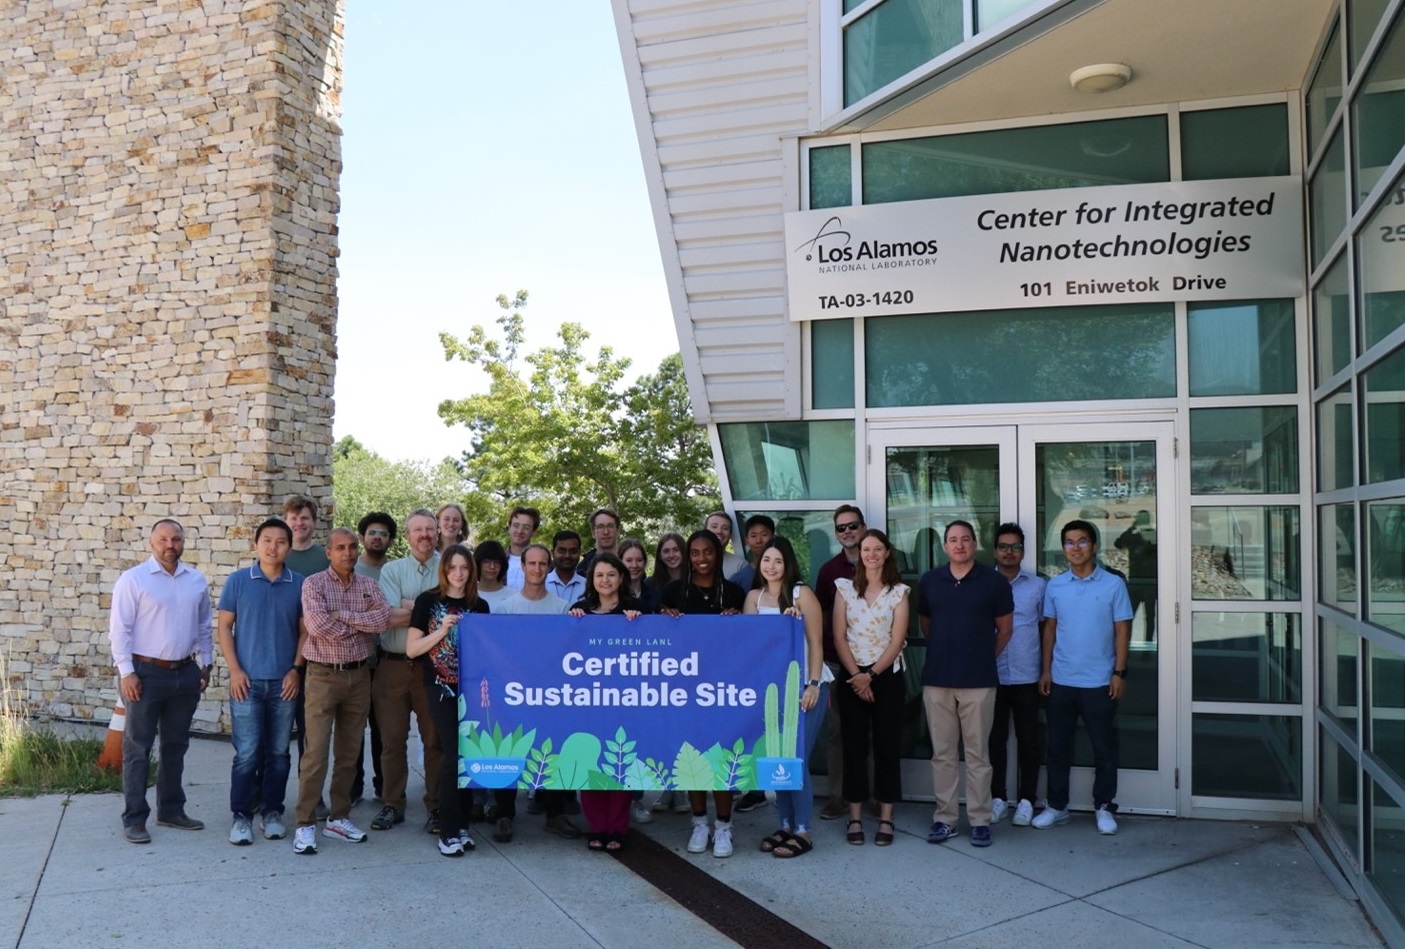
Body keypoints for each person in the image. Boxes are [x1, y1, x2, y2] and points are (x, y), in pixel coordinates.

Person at [108, 519, 214, 844]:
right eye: (164, 539)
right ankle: (135, 819)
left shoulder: (195, 580)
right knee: (138, 748)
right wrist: (126, 672)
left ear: (183, 542)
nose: (170, 545)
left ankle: (171, 810)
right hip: (145, 674)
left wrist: (206, 664)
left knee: (175, 746)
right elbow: (119, 629)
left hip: (185, 674)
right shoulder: (134, 579)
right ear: (152, 543)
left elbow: (204, 627)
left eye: (176, 539)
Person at [915, 520, 1013, 848]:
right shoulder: (930, 582)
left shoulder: (994, 582)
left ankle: (981, 820)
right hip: (937, 681)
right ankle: (945, 819)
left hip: (978, 682)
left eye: (966, 540)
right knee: (942, 754)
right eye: (953, 540)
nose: (959, 545)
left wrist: (982, 656)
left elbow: (1005, 630)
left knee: (978, 755)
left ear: (974, 545)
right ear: (945, 547)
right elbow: (927, 624)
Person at [295, 528, 391, 854]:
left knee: (349, 754)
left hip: (359, 677)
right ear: (329, 552)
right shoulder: (314, 584)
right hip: (323, 677)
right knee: (316, 753)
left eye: (352, 547)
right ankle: (305, 824)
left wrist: (344, 617)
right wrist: (358, 623)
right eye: (340, 548)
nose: (348, 553)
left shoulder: (369, 585)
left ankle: (339, 817)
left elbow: (381, 619)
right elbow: (319, 626)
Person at [1035, 519, 1133, 835]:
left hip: (1099, 682)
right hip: (1062, 680)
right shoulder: (1056, 585)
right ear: (1063, 548)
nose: (1075, 548)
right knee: (1058, 748)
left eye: (1082, 541)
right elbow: (1049, 629)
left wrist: (1119, 672)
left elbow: (1122, 630)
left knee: (1104, 748)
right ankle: (1057, 806)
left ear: (1093, 546)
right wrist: (1046, 670)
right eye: (1069, 542)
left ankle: (1104, 806)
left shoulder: (1113, 584)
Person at [216, 517, 305, 845]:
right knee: (247, 753)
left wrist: (296, 669)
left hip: (284, 683)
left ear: (289, 547)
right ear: (256, 544)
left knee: (279, 752)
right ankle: (241, 817)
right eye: (267, 540)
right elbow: (224, 627)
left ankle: (272, 812)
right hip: (247, 683)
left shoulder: (299, 583)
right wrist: (236, 670)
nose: (273, 547)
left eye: (280, 541)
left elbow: (305, 631)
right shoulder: (238, 581)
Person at [661, 529, 746, 857]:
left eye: (707, 552)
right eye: (694, 553)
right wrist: (664, 617)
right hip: (685, 689)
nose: (701, 559)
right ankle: (699, 823)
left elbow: (748, 639)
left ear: (719, 552)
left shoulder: (736, 593)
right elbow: (658, 637)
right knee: (692, 755)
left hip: (724, 688)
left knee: (722, 755)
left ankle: (724, 827)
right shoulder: (673, 592)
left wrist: (737, 620)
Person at [744, 537, 830, 858]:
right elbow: (750, 646)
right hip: (771, 693)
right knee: (777, 758)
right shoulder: (753, 598)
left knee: (796, 759)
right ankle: (784, 823)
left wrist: (813, 683)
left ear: (788, 563)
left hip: (804, 689)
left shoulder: (801, 594)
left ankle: (803, 830)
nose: (771, 566)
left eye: (778, 560)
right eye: (766, 559)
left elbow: (816, 643)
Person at [404, 544, 490, 856]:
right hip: (439, 687)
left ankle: (463, 825)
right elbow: (412, 650)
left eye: (464, 568)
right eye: (452, 567)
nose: (458, 573)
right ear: (444, 570)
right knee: (453, 754)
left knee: (468, 756)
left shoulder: (479, 606)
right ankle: (448, 830)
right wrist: (442, 630)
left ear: (471, 571)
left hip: (472, 691)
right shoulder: (428, 601)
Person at [496, 544, 581, 840]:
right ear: (522, 566)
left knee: (553, 749)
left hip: (550, 693)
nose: (536, 569)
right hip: (514, 692)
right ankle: (505, 813)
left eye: (542, 564)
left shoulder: (560, 608)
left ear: (549, 567)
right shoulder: (506, 607)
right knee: (508, 747)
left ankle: (555, 813)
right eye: (531, 563)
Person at [832, 528, 908, 848]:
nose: (871, 554)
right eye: (866, 549)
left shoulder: (899, 592)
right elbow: (838, 636)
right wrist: (856, 676)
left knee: (887, 747)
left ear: (887, 553)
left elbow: (898, 638)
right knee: (854, 747)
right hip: (852, 676)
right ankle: (854, 816)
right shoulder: (845, 589)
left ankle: (887, 816)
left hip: (886, 676)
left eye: (878, 549)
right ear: (859, 553)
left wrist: (871, 676)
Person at [568, 553, 646, 852]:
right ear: (592, 580)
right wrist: (571, 624)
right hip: (588, 700)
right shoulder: (580, 609)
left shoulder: (635, 609)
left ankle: (617, 828)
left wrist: (639, 624)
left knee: (619, 761)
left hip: (625, 700)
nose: (605, 580)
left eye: (611, 575)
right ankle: (597, 827)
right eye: (599, 575)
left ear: (621, 578)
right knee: (591, 761)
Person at [372, 509, 443, 833]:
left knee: (435, 740)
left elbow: (452, 614)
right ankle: (392, 804)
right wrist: (429, 609)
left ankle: (437, 807)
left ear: (437, 533)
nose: (425, 535)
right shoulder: (392, 569)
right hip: (393, 665)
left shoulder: (449, 567)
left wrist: (408, 604)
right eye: (418, 530)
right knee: (391, 740)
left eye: (430, 529)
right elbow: (387, 616)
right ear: (409, 534)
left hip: (434, 667)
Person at [989, 523, 1046, 828]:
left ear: (1023, 551)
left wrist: (1045, 671)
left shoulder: (1038, 587)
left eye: (1015, 547)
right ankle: (997, 797)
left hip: (1027, 675)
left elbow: (1045, 630)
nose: (1009, 552)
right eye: (1003, 546)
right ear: (994, 550)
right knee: (994, 740)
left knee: (1029, 740)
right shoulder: (983, 583)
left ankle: (1027, 800)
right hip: (992, 676)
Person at [812, 504, 866, 821]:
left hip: (873, 664)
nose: (847, 532)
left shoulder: (881, 562)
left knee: (870, 731)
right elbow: (819, 617)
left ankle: (871, 795)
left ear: (863, 526)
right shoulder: (829, 571)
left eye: (852, 526)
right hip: (835, 662)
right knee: (837, 733)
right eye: (841, 528)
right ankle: (838, 796)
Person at [352, 511, 396, 805]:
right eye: (372, 533)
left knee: (383, 729)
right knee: (353, 729)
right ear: (362, 538)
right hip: (356, 659)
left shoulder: (394, 572)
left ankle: (384, 786)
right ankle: (353, 788)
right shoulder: (350, 569)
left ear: (390, 541)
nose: (377, 538)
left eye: (383, 534)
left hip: (387, 660)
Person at [1115, 509, 1158, 642]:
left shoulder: (1149, 535)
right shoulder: (1144, 535)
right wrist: (1133, 529)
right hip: (1139, 581)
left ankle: (1141, 646)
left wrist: (1133, 528)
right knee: (1139, 617)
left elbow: (1120, 543)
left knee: (1142, 616)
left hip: (1146, 581)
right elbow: (1118, 544)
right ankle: (1138, 645)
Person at [282, 494, 330, 577]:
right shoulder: (275, 556)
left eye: (304, 518)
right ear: (285, 522)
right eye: (294, 518)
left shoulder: (327, 557)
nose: (299, 523)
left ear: (315, 522)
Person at [728, 514, 775, 591]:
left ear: (773, 538)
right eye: (753, 536)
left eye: (764, 535)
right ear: (747, 541)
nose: (759, 540)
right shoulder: (737, 580)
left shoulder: (786, 574)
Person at [504, 505, 541, 591]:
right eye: (516, 526)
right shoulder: (498, 560)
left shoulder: (542, 563)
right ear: (509, 528)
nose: (520, 531)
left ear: (534, 532)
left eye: (526, 527)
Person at [618, 538, 659, 614]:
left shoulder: (655, 596)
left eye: (639, 560)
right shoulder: (612, 595)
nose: (634, 565)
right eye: (629, 560)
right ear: (619, 563)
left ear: (645, 563)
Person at [546, 529, 587, 604]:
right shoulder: (541, 584)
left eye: (573, 551)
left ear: (579, 553)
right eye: (562, 551)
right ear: (552, 553)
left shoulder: (588, 586)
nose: (567, 556)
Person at [473, 540, 514, 611]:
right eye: (486, 562)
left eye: (497, 562)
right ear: (477, 564)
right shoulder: (467, 594)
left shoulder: (513, 596)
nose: (492, 566)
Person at [579, 508, 622, 574]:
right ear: (593, 533)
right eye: (600, 527)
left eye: (610, 526)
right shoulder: (582, 569)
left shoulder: (631, 564)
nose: (606, 532)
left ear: (618, 531)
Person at [704, 511, 746, 578]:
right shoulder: (689, 561)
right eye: (714, 526)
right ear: (704, 531)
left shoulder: (740, 565)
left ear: (730, 535)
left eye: (725, 528)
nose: (719, 531)